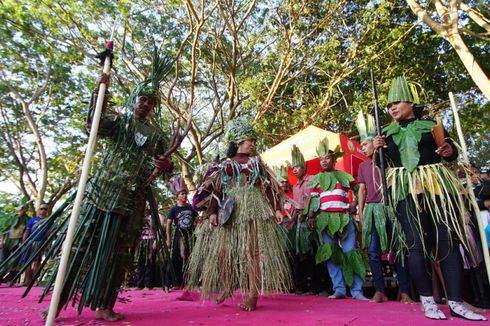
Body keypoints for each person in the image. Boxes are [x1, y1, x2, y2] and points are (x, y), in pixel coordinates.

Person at [0, 52, 176, 321]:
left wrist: (166, 166)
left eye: (150, 102)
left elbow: (166, 167)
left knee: (119, 254)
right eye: (142, 99)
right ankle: (57, 304)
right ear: (134, 100)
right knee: (79, 246)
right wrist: (100, 91)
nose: (145, 105)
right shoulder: (119, 122)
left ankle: (105, 304)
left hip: (132, 198)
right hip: (100, 192)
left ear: (154, 107)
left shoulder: (156, 135)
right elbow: (92, 125)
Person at [373, 76, 486, 321]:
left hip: (436, 187)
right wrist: (376, 149)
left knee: (447, 242)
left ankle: (456, 302)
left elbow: (448, 152)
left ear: (412, 103)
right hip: (405, 190)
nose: (392, 108)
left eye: (397, 102)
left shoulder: (432, 124)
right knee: (415, 245)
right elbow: (381, 165)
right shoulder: (386, 134)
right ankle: (427, 301)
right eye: (389, 105)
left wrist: (449, 151)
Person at [187, 116, 292, 311]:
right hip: (229, 210)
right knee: (224, 252)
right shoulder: (224, 165)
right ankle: (226, 287)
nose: (252, 144)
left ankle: (252, 295)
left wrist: (277, 208)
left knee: (252, 252)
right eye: (248, 140)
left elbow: (268, 187)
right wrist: (211, 212)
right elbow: (217, 190)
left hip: (253, 208)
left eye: (253, 141)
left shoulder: (257, 163)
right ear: (237, 142)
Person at [355, 111, 413, 304]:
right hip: (372, 210)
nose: (362, 148)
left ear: (375, 142)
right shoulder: (363, 167)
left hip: (391, 208)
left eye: (365, 144)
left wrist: (383, 151)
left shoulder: (387, 160)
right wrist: (361, 213)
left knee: (398, 249)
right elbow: (362, 190)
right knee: (372, 251)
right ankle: (380, 290)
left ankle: (405, 291)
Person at [307, 138, 368, 301]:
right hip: (325, 220)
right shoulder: (316, 179)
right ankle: (339, 289)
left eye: (327, 158)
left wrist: (354, 204)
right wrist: (311, 217)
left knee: (351, 253)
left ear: (334, 160)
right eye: (321, 159)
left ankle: (356, 291)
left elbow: (359, 189)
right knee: (331, 255)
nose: (324, 161)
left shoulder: (344, 176)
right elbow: (313, 199)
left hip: (345, 218)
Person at [166, 176, 197, 289]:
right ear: (177, 196)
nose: (184, 196)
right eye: (182, 194)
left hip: (190, 235)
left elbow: (197, 220)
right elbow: (168, 225)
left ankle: (189, 281)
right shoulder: (173, 209)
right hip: (179, 235)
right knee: (176, 258)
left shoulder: (191, 208)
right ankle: (174, 282)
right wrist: (168, 240)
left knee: (189, 257)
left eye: (185, 194)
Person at [0, 199, 30, 283]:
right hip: (8, 240)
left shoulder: (27, 219)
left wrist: (23, 242)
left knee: (15, 260)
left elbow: (26, 231)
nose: (23, 210)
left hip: (18, 241)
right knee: (2, 259)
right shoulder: (11, 217)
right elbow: (4, 229)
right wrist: (2, 241)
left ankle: (11, 278)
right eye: (22, 208)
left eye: (25, 208)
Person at [22, 202, 49, 286]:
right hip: (30, 242)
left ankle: (34, 280)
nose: (43, 211)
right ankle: (27, 281)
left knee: (37, 262)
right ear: (38, 210)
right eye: (41, 209)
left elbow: (50, 234)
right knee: (27, 262)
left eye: (45, 209)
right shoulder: (32, 220)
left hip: (40, 243)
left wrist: (48, 244)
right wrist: (24, 242)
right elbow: (27, 231)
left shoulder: (49, 221)